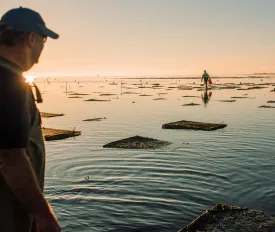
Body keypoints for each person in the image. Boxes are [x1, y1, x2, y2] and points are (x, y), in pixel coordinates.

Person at [0, 7, 61, 232]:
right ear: (30, 38)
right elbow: (11, 158)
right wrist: (43, 214)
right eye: (43, 40)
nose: (42, 49)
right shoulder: (8, 82)